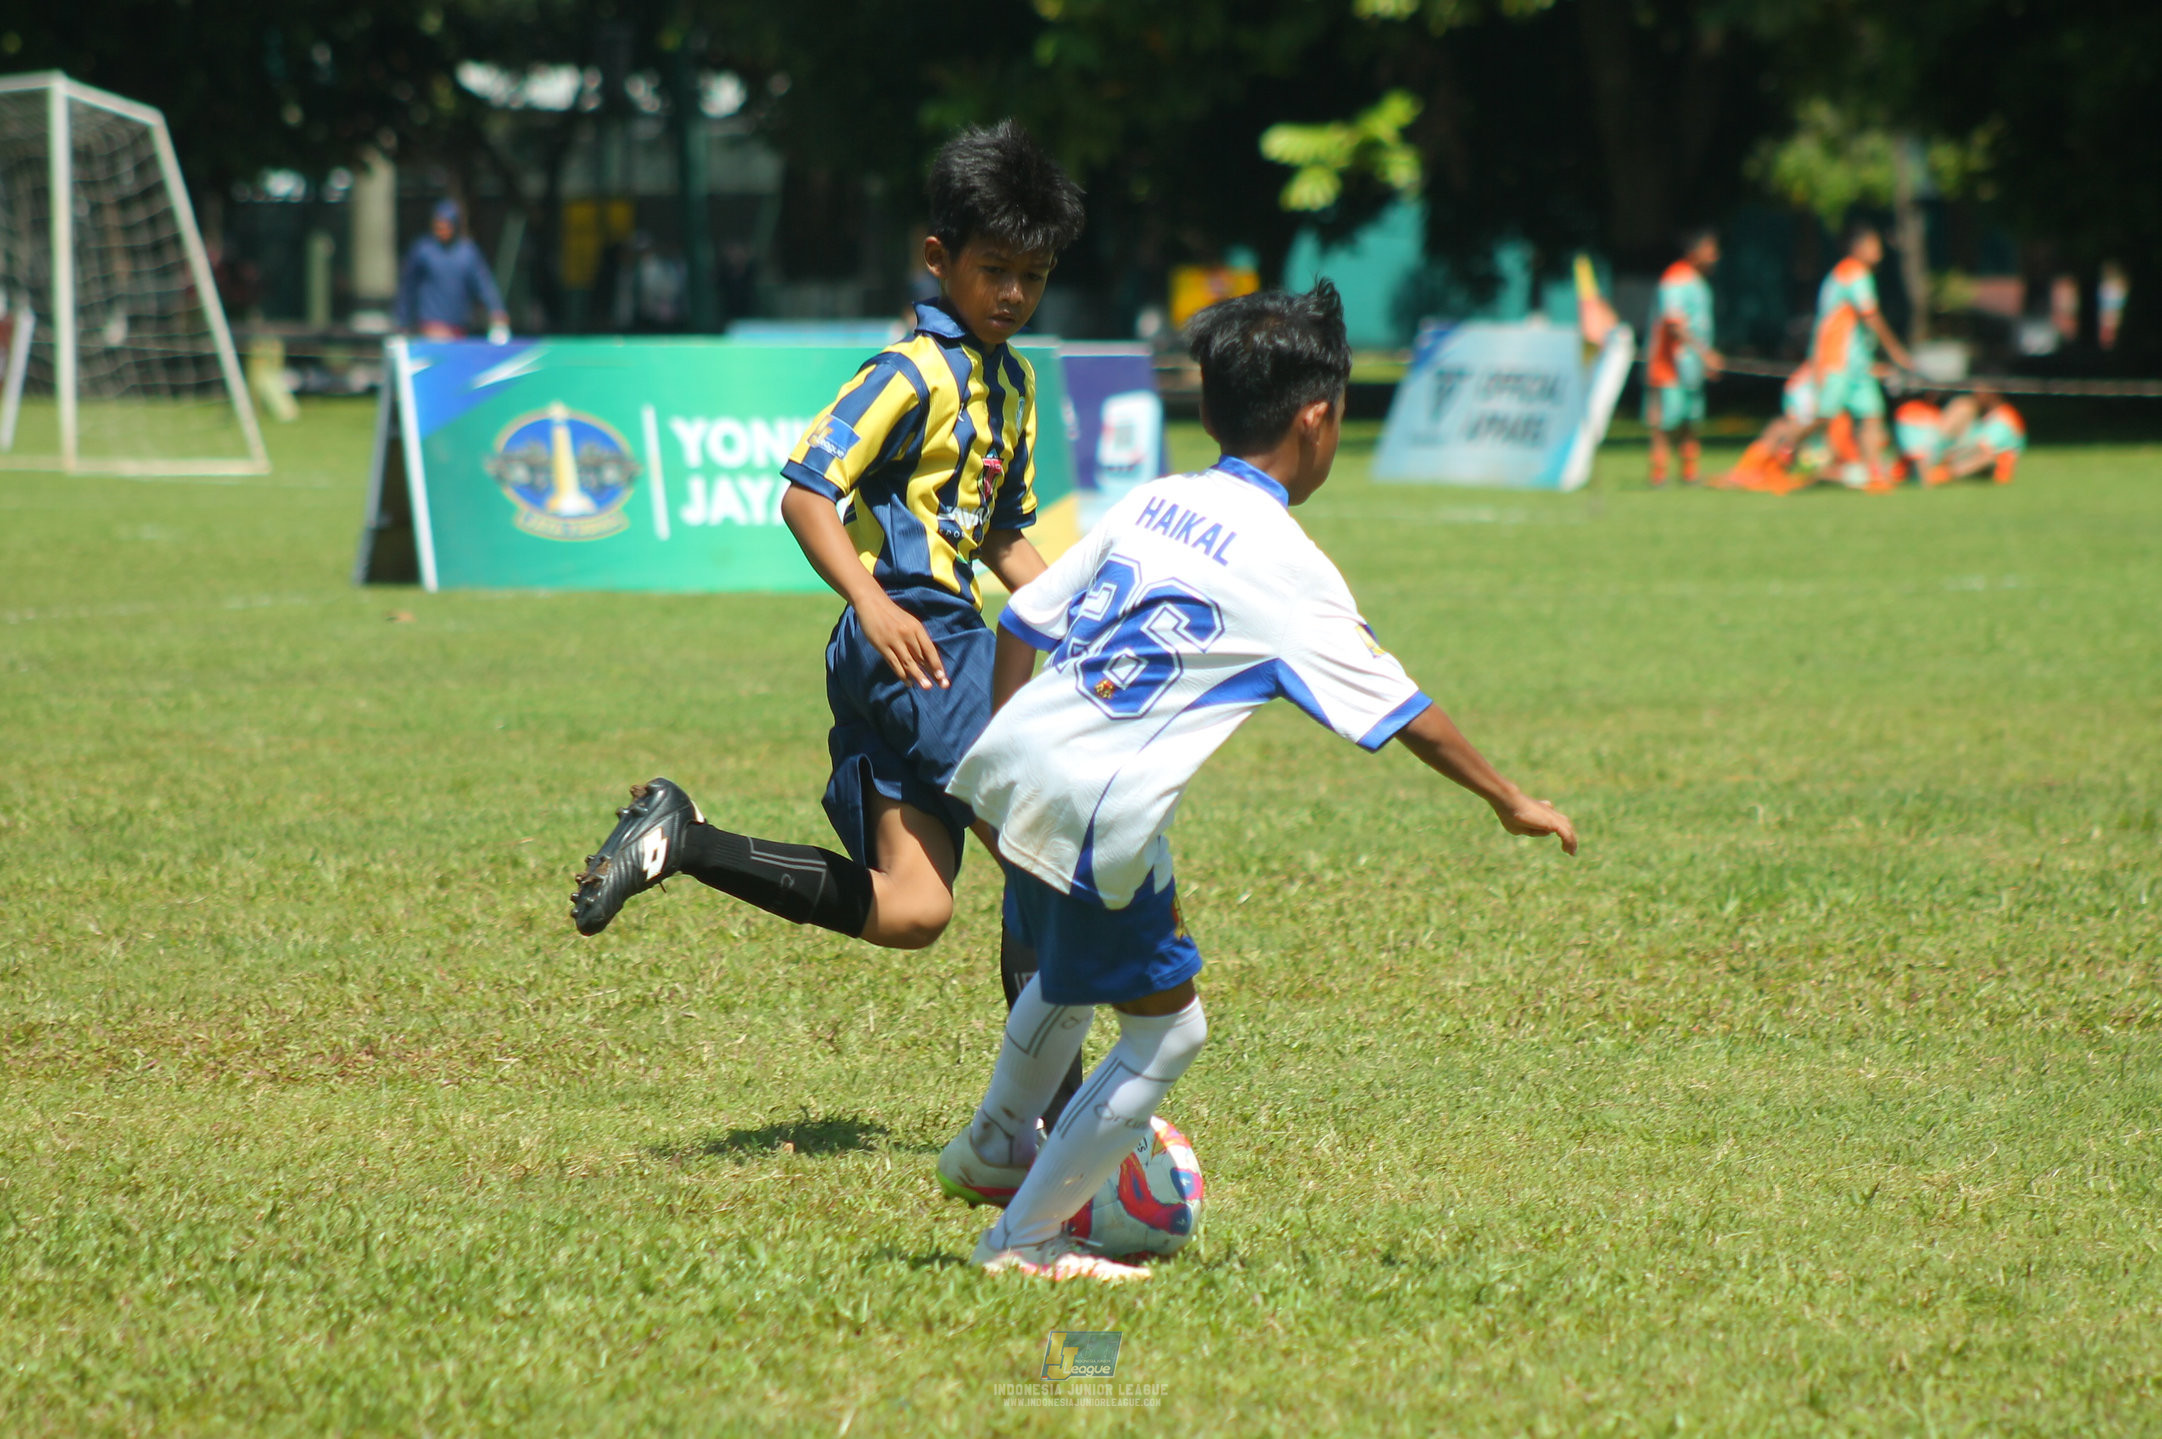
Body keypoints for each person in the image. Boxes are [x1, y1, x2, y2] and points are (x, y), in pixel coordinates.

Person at [933, 281, 1579, 1282]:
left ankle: (993, 1141)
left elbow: (1020, 619)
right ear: (1317, 418)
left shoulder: (1154, 498)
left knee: (1067, 975)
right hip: (1098, 806)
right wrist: (1508, 797)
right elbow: (1402, 708)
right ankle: (1022, 1239)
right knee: (1167, 1028)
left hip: (1014, 765)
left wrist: (1005, 753)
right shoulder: (1288, 562)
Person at [567, 122, 1095, 1118]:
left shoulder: (1015, 385)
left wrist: (1082, 614)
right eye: (994, 270)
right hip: (916, 641)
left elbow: (999, 538)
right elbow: (807, 491)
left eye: (1033, 274)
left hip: (930, 651)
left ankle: (686, 839)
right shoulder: (905, 374)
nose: (1014, 294)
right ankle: (1057, 1129)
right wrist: (873, 597)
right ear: (938, 259)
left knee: (913, 907)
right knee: (1043, 850)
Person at [1804, 222, 1914, 486]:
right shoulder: (1854, 273)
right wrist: (1896, 351)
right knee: (1824, 416)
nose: (1880, 251)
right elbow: (1871, 317)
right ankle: (1788, 448)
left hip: (1856, 363)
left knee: (1871, 414)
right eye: (1874, 245)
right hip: (1836, 360)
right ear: (1858, 247)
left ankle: (1874, 474)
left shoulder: (1851, 273)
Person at [1644, 228, 1725, 487]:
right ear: (1694, 251)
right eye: (1710, 249)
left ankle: (1689, 473)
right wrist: (1706, 354)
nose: (1715, 256)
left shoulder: (1699, 282)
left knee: (1691, 419)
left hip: (1691, 366)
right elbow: (1674, 324)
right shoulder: (1676, 278)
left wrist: (1703, 359)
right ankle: (1659, 474)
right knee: (1665, 421)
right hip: (1669, 363)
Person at [396, 200, 509, 341]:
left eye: (446, 226)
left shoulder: (467, 252)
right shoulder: (423, 250)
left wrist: (496, 310)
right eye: (438, 226)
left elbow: (483, 283)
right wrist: (402, 320)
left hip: (459, 326)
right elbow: (408, 287)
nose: (441, 231)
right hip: (431, 325)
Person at [1929, 390, 2025, 485]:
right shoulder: (1991, 415)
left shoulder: (2004, 419)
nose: (1975, 396)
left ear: (1992, 394)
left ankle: (1942, 474)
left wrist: (1951, 462)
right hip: (1979, 462)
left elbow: (1985, 451)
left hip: (1997, 470)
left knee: (1984, 456)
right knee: (1961, 405)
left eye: (1980, 392)